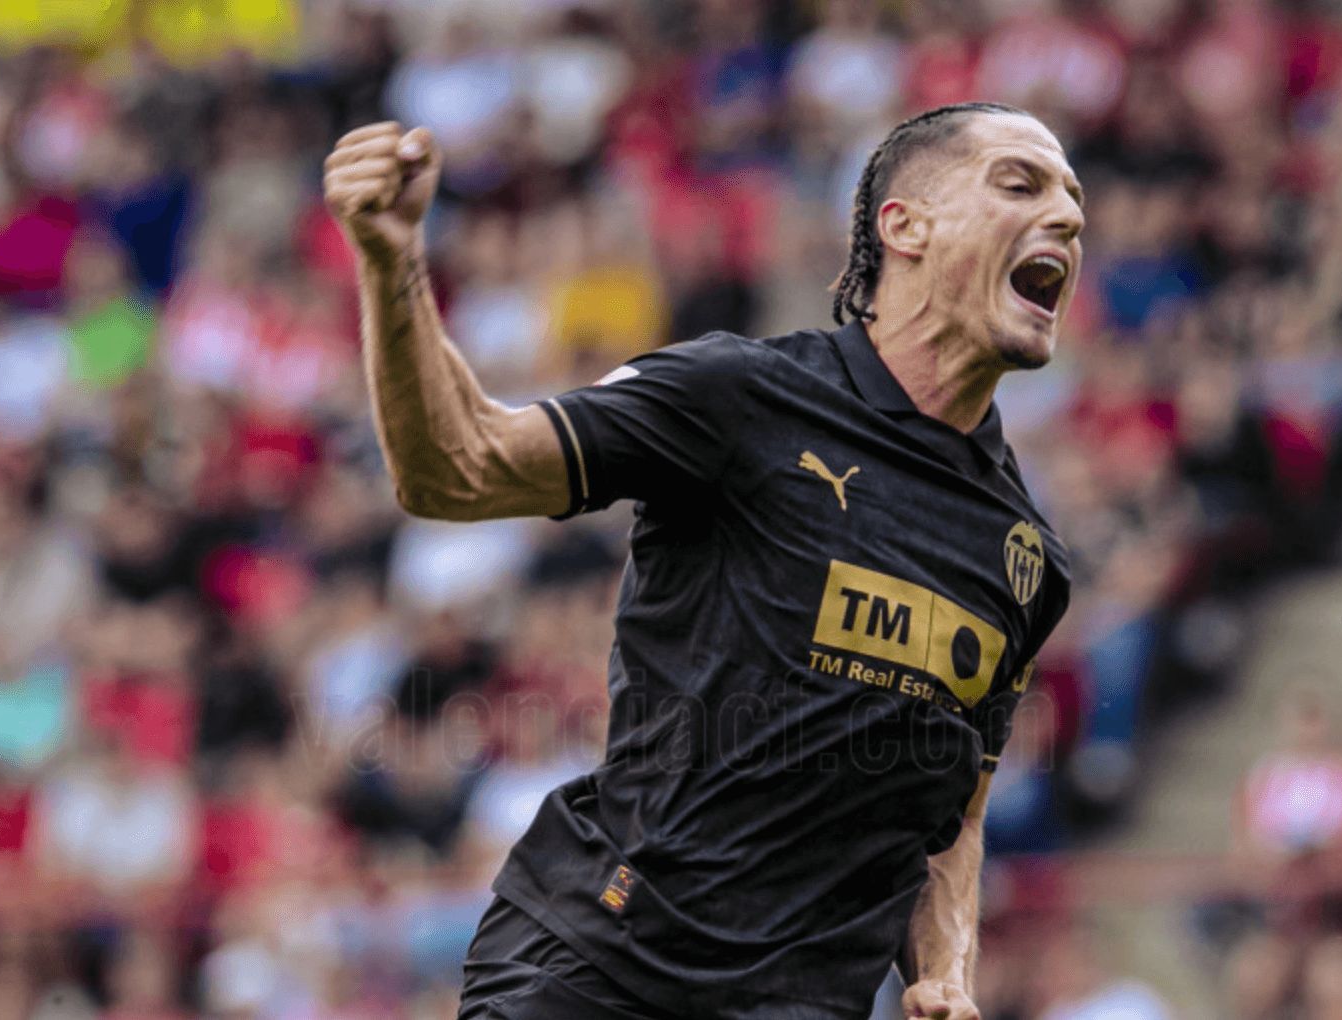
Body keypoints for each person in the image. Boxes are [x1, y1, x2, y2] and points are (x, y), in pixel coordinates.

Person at [322, 101, 1082, 1020]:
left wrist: (945, 970)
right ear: (904, 225)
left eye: (1073, 198)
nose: (1069, 218)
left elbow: (952, 819)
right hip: (602, 967)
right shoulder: (739, 395)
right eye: (1020, 183)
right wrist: (396, 258)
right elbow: (457, 470)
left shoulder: (1025, 558)